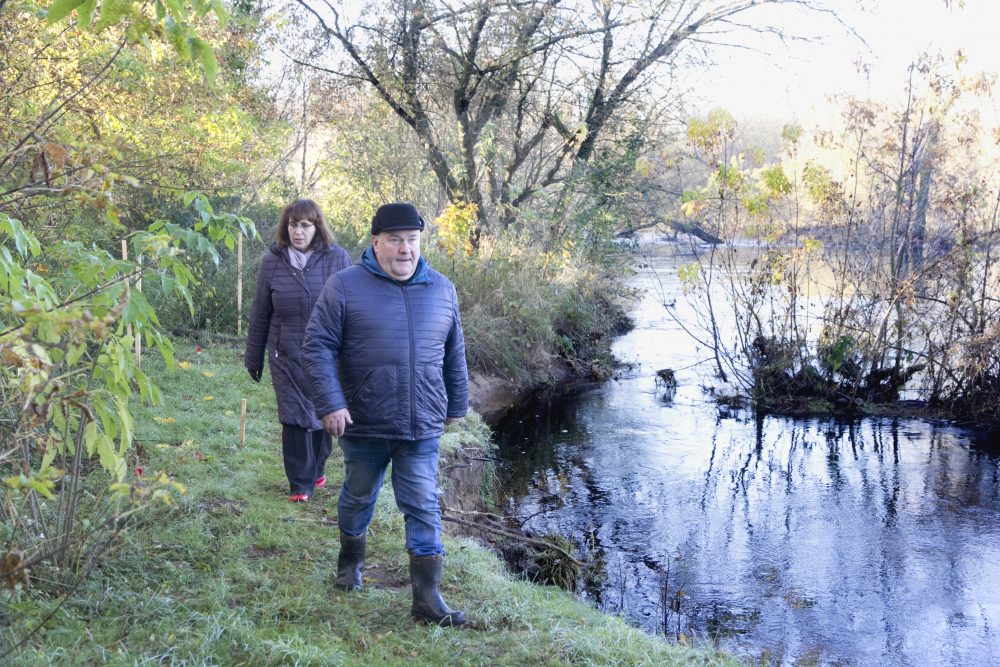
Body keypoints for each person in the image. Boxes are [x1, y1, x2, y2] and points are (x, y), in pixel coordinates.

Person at [302, 202, 469, 627]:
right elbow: (317, 345)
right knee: (358, 496)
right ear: (375, 242)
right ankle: (349, 565)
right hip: (363, 421)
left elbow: (455, 351)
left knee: (423, 504)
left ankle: (427, 599)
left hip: (421, 424)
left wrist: (457, 403)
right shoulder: (344, 287)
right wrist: (330, 402)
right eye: (395, 240)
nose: (404, 249)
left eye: (411, 240)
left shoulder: (442, 289)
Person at [244, 199, 352, 503]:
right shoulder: (272, 262)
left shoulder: (337, 259)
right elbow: (260, 312)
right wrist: (253, 357)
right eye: (293, 224)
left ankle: (317, 468)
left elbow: (353, 309)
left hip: (327, 354)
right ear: (285, 227)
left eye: (305, 225)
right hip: (285, 352)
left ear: (317, 227)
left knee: (322, 413)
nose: (298, 231)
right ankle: (299, 485)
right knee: (293, 417)